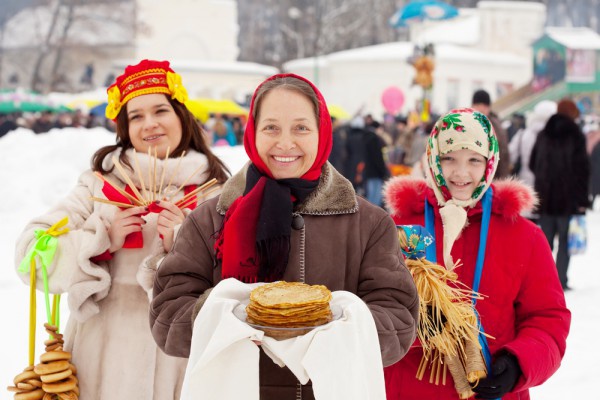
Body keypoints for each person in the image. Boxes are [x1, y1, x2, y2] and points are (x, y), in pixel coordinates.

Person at [149, 73, 419, 399]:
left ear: (322, 134)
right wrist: (231, 315)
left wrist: (333, 325)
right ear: (253, 132)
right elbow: (167, 320)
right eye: (271, 128)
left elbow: (400, 322)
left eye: (301, 128)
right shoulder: (209, 219)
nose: (285, 143)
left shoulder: (370, 224)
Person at [14, 59, 230, 400]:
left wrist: (185, 247)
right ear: (124, 127)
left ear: (181, 116)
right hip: (96, 365)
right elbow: (29, 256)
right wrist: (99, 240)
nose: (150, 124)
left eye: (160, 110)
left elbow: (239, 284)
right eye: (136, 116)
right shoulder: (98, 187)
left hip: (181, 363)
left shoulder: (217, 194)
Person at [383, 108, 570, 399]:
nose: (461, 173)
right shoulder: (396, 229)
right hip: (411, 388)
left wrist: (518, 363)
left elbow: (547, 318)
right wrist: (414, 324)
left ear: (490, 162)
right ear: (432, 159)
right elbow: (372, 307)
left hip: (490, 390)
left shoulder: (524, 236)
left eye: (473, 160)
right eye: (449, 159)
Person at [529, 98, 590, 291]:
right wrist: (581, 200)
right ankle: (560, 280)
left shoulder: (543, 134)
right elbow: (583, 170)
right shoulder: (577, 136)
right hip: (567, 200)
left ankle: (542, 281)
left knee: (544, 243)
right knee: (564, 241)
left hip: (545, 199)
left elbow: (532, 163)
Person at [471, 89, 511, 179]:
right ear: (473, 106)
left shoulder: (497, 126)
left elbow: (504, 154)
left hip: (494, 177)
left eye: (484, 106)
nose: (481, 109)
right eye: (478, 105)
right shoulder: (466, 124)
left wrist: (503, 179)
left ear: (489, 107)